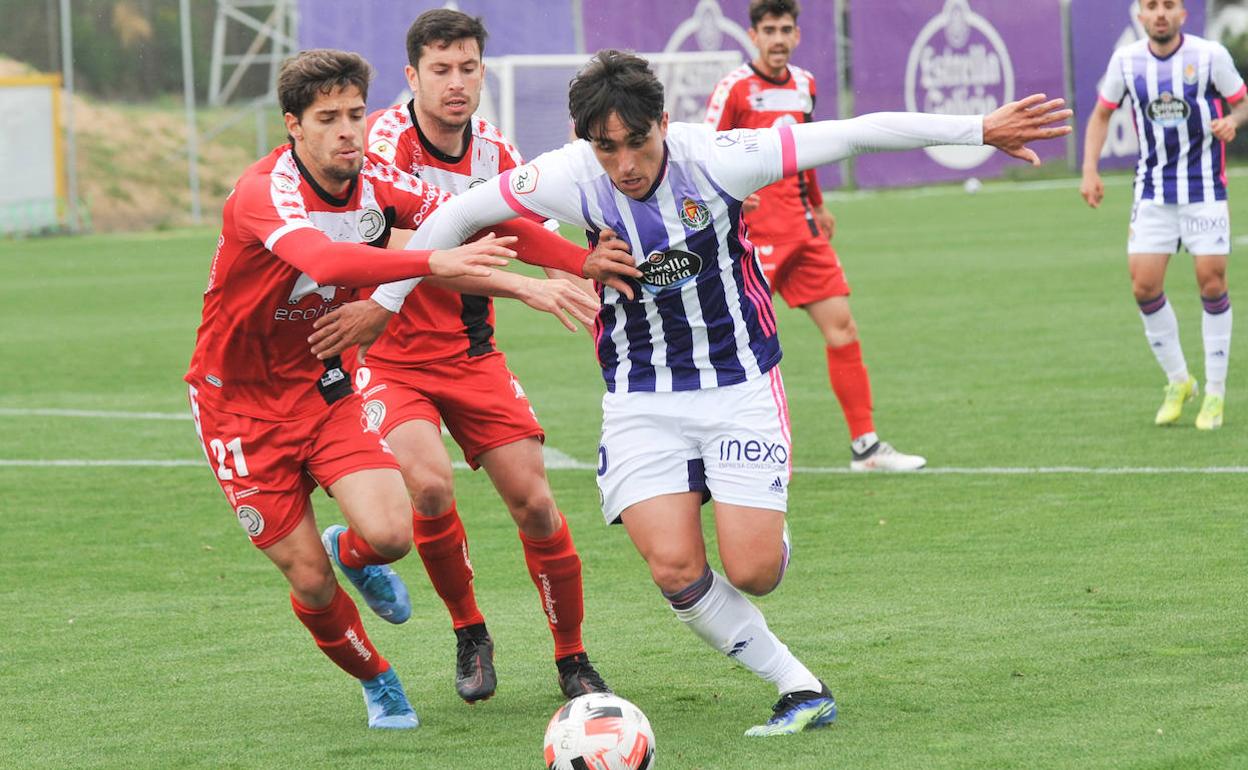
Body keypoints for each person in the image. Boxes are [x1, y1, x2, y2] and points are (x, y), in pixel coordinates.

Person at [372, 50, 1070, 735]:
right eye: (606, 147)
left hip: (737, 384)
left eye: (637, 142)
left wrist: (978, 129)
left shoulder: (721, 158)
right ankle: (798, 685)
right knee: (674, 567)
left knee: (754, 570)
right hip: (640, 396)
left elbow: (854, 132)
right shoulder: (565, 175)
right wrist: (385, 301)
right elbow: (454, 219)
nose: (626, 163)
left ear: (665, 124)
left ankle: (756, 510)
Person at [184, 48, 585, 729]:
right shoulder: (265, 192)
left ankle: (355, 551)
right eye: (326, 118)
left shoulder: (375, 180)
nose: (347, 131)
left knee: (395, 532)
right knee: (309, 581)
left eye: (352, 115)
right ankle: (379, 681)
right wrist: (431, 257)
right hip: (237, 407)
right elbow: (322, 256)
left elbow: (480, 218)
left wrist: (583, 261)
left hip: (321, 386)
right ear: (293, 126)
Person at [305, 9, 612, 704]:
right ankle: (470, 631)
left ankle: (573, 657)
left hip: (472, 352)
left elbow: (523, 229)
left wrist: (584, 266)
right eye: (440, 70)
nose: (455, 83)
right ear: (413, 75)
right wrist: (522, 285)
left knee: (534, 502)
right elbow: (409, 254)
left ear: (481, 72)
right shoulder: (380, 141)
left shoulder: (496, 152)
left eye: (467, 68)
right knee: (432, 486)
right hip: (387, 353)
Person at [706, 0, 924, 471]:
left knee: (842, 327)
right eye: (769, 30)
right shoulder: (734, 89)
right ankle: (723, 449)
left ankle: (865, 446)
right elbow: (706, 156)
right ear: (753, 35)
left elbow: (807, 151)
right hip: (752, 237)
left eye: (786, 29)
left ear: (798, 36)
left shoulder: (805, 85)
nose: (778, 38)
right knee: (737, 344)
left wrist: (819, 204)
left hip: (802, 231)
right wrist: (733, 198)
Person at [1081, 0, 1248, 429]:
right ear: (1140, 16)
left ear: (1182, 15)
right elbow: (1102, 114)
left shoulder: (1210, 56)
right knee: (1143, 286)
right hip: (1153, 192)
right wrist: (1090, 170)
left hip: (1204, 189)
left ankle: (1214, 392)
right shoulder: (1126, 61)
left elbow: (1242, 103)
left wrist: (1234, 120)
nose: (1160, 13)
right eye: (1152, 6)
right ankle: (1180, 380)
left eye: (1168, 5)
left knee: (1211, 282)